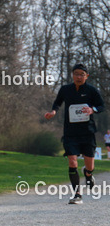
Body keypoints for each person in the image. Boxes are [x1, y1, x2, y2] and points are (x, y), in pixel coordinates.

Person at [44, 64, 105, 204]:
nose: (78, 77)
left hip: (87, 131)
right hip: (70, 133)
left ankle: (88, 174)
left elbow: (102, 106)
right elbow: (57, 103)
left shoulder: (92, 90)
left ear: (86, 76)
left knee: (90, 164)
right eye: (76, 74)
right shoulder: (65, 90)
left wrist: (92, 109)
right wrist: (53, 112)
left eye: (82, 74)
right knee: (72, 161)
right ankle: (77, 194)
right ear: (72, 75)